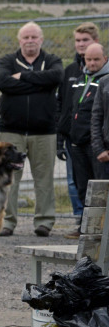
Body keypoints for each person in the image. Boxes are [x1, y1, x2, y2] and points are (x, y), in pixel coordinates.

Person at [0, 22, 63, 237]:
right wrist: (41, 84)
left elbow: (55, 77)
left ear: (41, 39)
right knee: (8, 178)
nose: (30, 40)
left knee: (43, 178)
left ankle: (44, 221)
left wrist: (23, 77)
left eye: (34, 37)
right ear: (19, 40)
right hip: (11, 130)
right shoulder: (7, 60)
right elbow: (2, 82)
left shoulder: (52, 61)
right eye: (26, 37)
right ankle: (7, 222)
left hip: (44, 131)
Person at [57, 23, 99, 235]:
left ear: (96, 43)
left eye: (86, 40)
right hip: (73, 139)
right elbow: (64, 105)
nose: (81, 45)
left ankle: (98, 226)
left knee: (98, 184)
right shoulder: (71, 72)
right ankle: (82, 222)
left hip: (96, 141)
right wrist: (61, 137)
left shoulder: (102, 75)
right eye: (78, 41)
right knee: (77, 183)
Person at [65, 43, 109, 239]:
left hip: (97, 146)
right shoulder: (80, 79)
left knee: (99, 188)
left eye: (96, 59)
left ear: (105, 59)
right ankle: (86, 227)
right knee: (82, 187)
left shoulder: (105, 82)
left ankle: (101, 229)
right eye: (88, 60)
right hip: (77, 143)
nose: (91, 63)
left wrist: (99, 145)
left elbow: (98, 116)